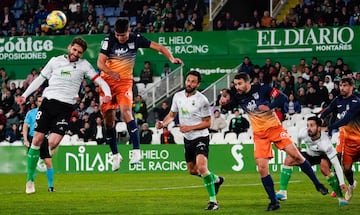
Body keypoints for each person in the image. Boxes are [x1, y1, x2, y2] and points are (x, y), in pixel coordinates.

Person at [219, 73, 328, 211]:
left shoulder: (262, 88)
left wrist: (270, 106)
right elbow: (229, 105)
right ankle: (274, 202)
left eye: (240, 83)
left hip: (275, 129)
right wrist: (224, 104)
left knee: (296, 155)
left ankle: (317, 184)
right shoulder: (238, 96)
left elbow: (282, 97)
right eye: (235, 84)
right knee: (262, 168)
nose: (237, 87)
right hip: (259, 135)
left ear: (248, 82)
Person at [16, 37, 112, 194]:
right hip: (48, 104)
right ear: (69, 47)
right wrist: (25, 96)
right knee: (37, 139)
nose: (76, 54)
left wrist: (107, 94)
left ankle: (35, 156)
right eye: (74, 50)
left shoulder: (84, 65)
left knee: (51, 144)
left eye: (79, 52)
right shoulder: (55, 61)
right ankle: (30, 180)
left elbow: (100, 81)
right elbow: (39, 80)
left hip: (65, 108)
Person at [97, 18, 182, 170]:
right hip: (107, 84)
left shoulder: (137, 39)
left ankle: (136, 151)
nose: (119, 38)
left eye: (122, 35)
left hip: (124, 83)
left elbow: (160, 47)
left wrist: (171, 58)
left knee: (126, 112)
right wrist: (111, 73)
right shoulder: (109, 40)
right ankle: (115, 155)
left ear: (129, 30)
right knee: (108, 121)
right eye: (117, 35)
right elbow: (100, 63)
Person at [156, 70, 224, 210]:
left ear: (198, 84)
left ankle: (213, 202)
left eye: (193, 81)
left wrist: (190, 128)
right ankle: (216, 179)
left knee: (202, 167)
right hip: (188, 139)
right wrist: (163, 123)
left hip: (201, 137)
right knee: (192, 171)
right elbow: (172, 114)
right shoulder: (178, 96)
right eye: (188, 80)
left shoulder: (202, 100)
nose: (189, 83)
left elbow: (207, 123)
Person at [276, 116, 348, 206]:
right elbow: (299, 138)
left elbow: (336, 165)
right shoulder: (303, 133)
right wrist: (298, 147)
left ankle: (340, 198)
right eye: (308, 125)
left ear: (319, 128)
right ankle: (283, 192)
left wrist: (342, 182)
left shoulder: (326, 144)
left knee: (324, 168)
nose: (309, 128)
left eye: (312, 126)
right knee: (288, 160)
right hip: (309, 154)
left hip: (323, 156)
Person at [320, 77, 360, 201]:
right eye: (341, 85)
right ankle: (351, 184)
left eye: (345, 85)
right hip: (347, 139)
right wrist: (320, 118)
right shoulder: (337, 100)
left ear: (351, 87)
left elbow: (346, 119)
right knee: (346, 168)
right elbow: (328, 110)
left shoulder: (356, 102)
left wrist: (328, 127)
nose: (342, 88)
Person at [23, 96, 56, 192]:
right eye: (39, 101)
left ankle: (50, 186)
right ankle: (30, 183)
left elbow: (52, 128)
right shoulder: (31, 113)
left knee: (48, 162)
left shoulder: (49, 113)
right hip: (32, 138)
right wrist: (25, 140)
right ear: (37, 102)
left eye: (42, 101)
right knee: (32, 164)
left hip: (44, 139)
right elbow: (25, 126)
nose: (40, 102)